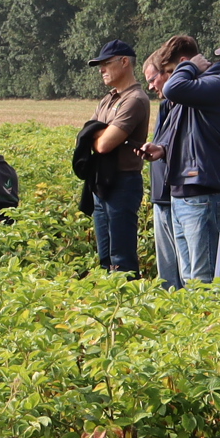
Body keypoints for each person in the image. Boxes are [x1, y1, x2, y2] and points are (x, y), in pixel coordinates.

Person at [148, 35, 220, 288]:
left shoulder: (215, 84)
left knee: (202, 279)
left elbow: (172, 88)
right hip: (183, 193)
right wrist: (162, 149)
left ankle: (207, 324)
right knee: (189, 279)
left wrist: (190, 67)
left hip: (203, 193)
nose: (167, 80)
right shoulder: (191, 94)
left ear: (185, 63)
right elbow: (189, 134)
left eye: (170, 71)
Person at [80, 40, 148, 275]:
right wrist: (97, 134)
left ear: (125, 62)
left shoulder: (135, 99)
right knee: (105, 256)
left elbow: (104, 145)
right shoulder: (109, 99)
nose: (101, 69)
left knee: (122, 258)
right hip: (103, 182)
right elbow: (86, 132)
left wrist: (96, 135)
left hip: (123, 182)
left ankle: (126, 305)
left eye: (106, 63)